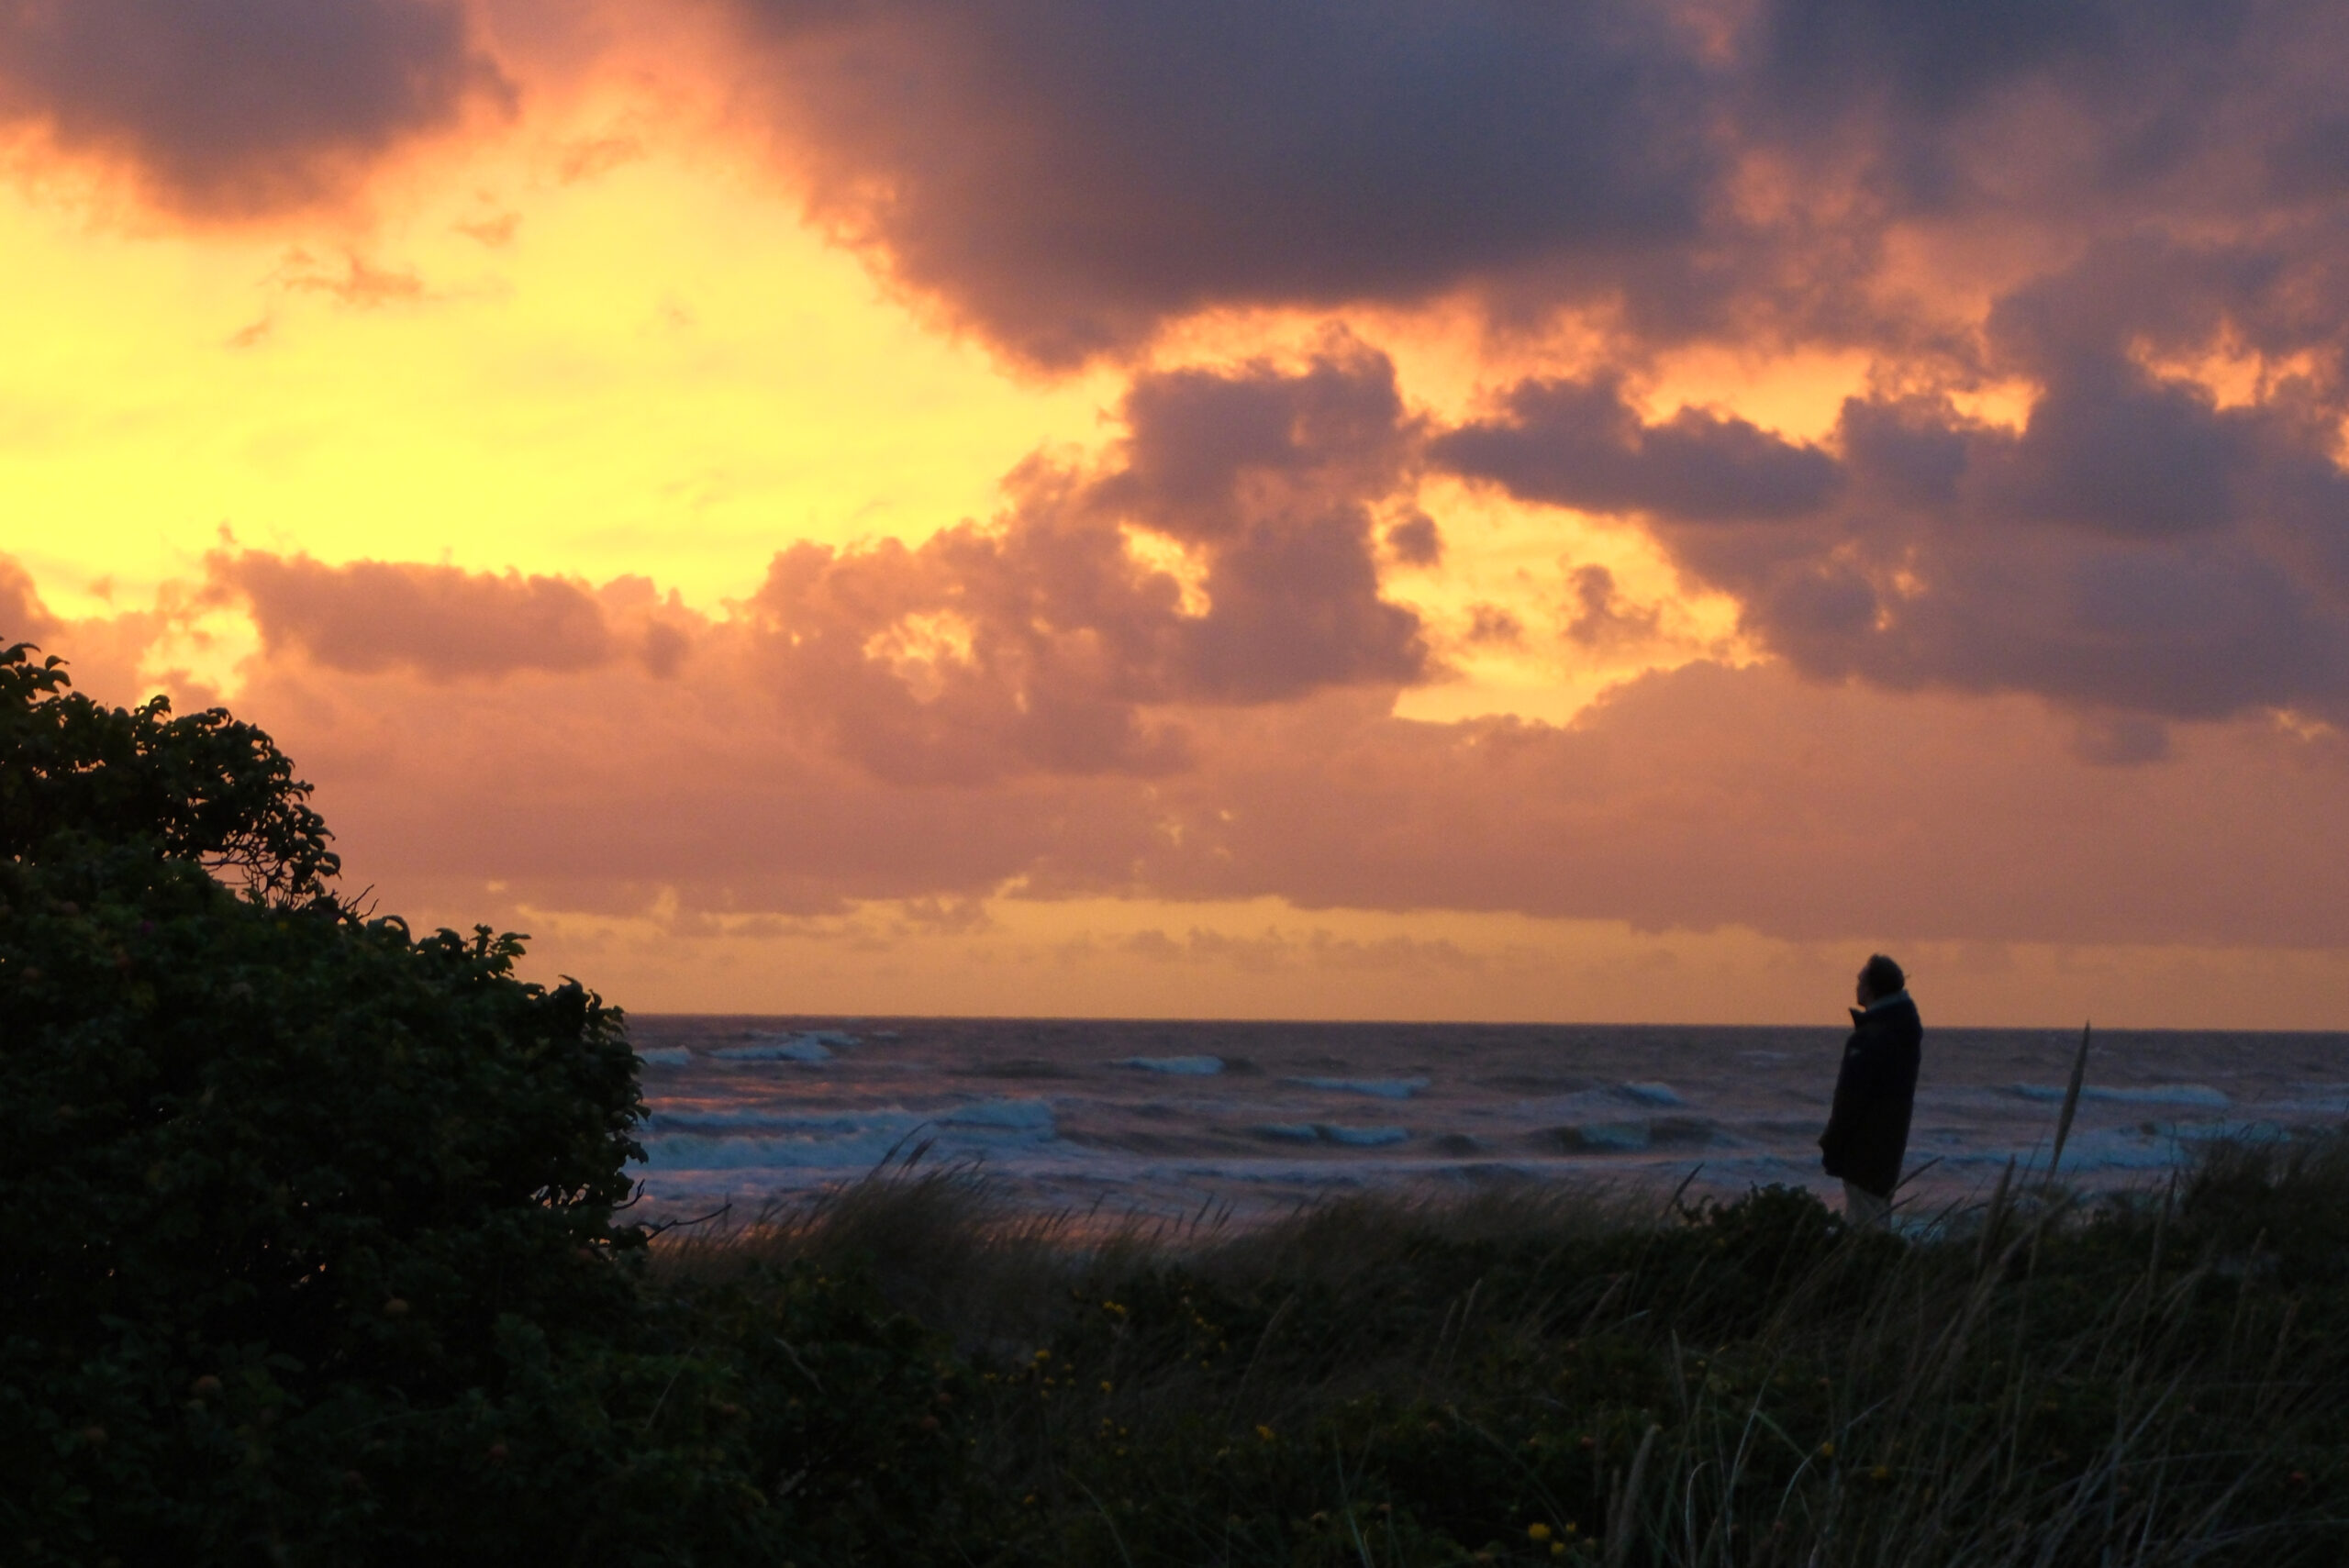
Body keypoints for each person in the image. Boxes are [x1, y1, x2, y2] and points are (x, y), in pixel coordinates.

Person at [1819, 953, 1921, 1229]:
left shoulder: (1873, 1037)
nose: (1857, 985)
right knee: (1873, 1221)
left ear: (1872, 987)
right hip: (1884, 1150)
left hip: (1866, 1153)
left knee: (1865, 1229)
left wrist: (1832, 1142)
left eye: (1861, 979)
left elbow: (1851, 1100)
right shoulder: (1901, 1028)